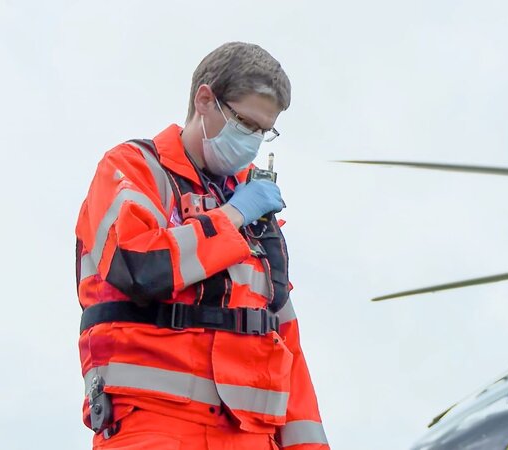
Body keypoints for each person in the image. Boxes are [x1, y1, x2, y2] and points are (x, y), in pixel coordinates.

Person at [75, 42, 329, 449]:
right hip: (154, 425)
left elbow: (284, 339)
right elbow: (139, 266)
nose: (253, 142)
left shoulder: (257, 213)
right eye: (245, 123)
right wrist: (232, 217)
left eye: (264, 131)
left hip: (253, 435)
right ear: (205, 100)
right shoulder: (133, 169)